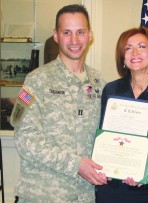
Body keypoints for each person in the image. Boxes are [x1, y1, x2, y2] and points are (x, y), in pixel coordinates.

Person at [10, 4, 107, 202]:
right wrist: (75, 164)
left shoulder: (99, 84)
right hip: (43, 196)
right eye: (66, 32)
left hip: (85, 196)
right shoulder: (36, 81)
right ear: (56, 35)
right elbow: (26, 141)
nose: (74, 40)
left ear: (90, 35)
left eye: (80, 32)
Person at [95, 26, 148, 203]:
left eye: (142, 46)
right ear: (123, 58)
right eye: (128, 48)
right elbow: (104, 135)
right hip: (111, 186)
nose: (135, 52)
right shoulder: (111, 90)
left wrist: (145, 171)